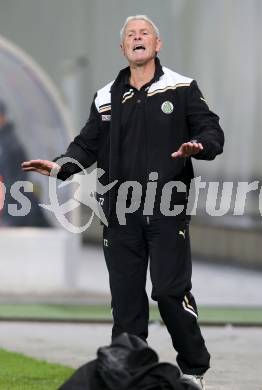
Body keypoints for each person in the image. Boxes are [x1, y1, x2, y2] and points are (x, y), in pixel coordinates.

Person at [22, 15, 224, 389]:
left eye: (143, 33)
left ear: (157, 44)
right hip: (120, 211)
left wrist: (200, 145)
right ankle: (128, 375)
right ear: (123, 48)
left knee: (167, 291)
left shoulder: (181, 88)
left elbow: (211, 130)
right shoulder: (105, 97)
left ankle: (194, 369)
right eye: (130, 35)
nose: (137, 38)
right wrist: (61, 166)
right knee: (127, 302)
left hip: (167, 207)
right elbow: (87, 144)